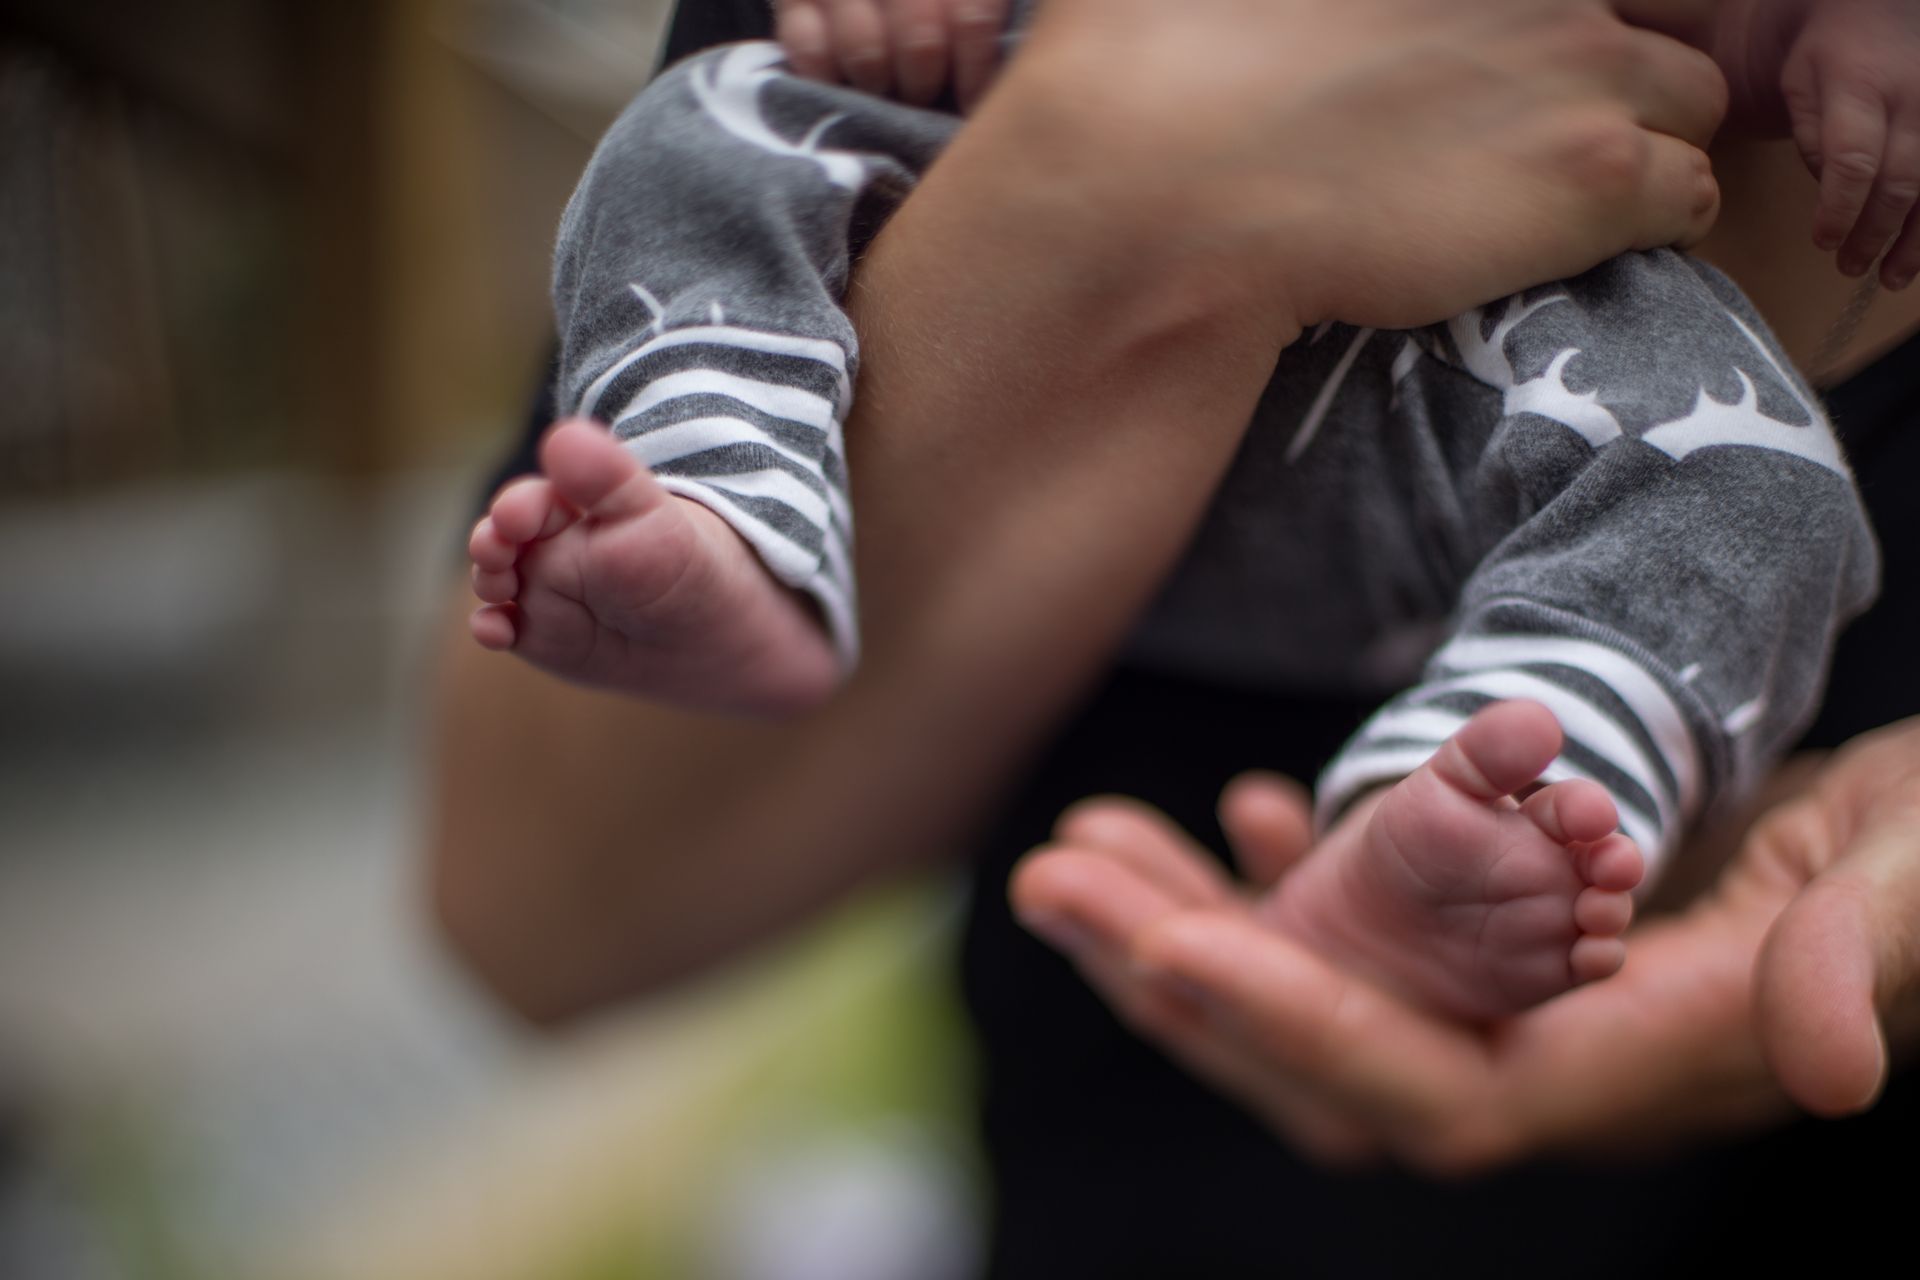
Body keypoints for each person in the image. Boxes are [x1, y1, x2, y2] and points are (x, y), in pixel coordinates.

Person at [430, 0, 1920, 1272]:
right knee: (715, 129)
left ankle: (1487, 787)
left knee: (1753, 488)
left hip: (1553, 363)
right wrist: (1131, 170)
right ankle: (726, 486)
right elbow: (527, 916)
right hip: (1129, 1170)